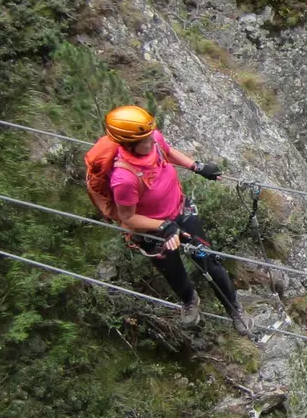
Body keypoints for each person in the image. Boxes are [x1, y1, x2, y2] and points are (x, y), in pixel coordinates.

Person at [100, 105, 247, 333]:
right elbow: (128, 218)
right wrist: (163, 226)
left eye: (151, 136)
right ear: (128, 144)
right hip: (153, 231)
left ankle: (234, 307)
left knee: (209, 262)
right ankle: (190, 300)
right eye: (145, 140)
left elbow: (167, 151)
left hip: (181, 212)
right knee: (174, 271)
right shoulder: (124, 179)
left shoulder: (154, 140)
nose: (152, 141)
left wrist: (196, 166)